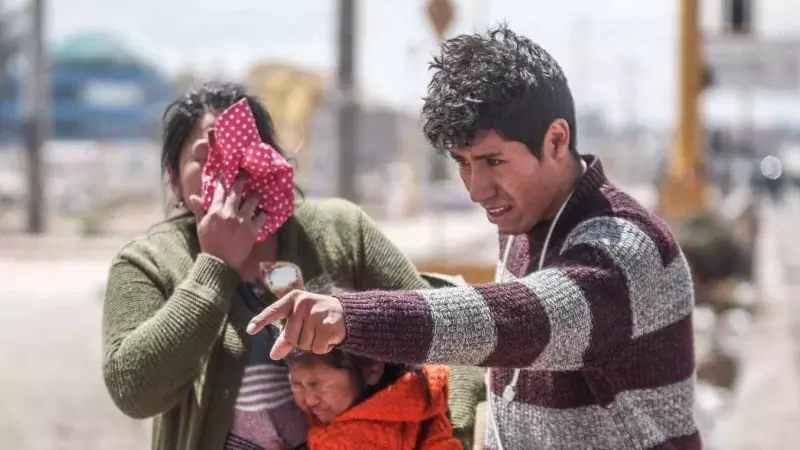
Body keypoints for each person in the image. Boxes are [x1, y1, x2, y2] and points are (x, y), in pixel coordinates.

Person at [248, 25, 700, 450]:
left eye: (493, 161)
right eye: (463, 162)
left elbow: (520, 321)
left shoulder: (623, 249)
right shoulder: (524, 221)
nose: (476, 188)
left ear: (556, 141)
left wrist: (349, 317)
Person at [101, 82, 481, 450]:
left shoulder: (341, 232)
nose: (227, 169)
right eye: (204, 159)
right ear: (175, 178)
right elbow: (134, 393)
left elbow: (447, 335)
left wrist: (452, 432)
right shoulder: (147, 263)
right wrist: (214, 267)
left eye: (242, 151)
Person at [286, 345, 461, 450]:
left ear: (372, 371)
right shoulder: (416, 396)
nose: (310, 400)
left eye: (318, 386)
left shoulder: (349, 441)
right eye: (297, 385)